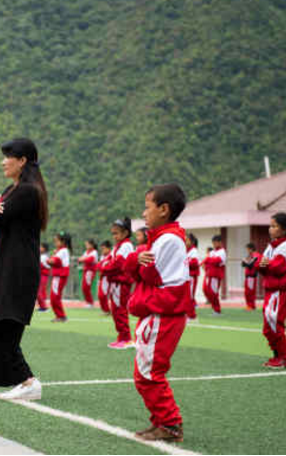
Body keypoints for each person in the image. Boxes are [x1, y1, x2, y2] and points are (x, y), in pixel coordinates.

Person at [0, 138, 47, 400]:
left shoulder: (28, 191)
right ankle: (22, 381)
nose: (3, 162)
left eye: (8, 157)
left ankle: (28, 381)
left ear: (22, 161)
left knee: (4, 324)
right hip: (4, 267)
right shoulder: (13, 189)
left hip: (17, 270)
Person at [126, 183, 190, 442]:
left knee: (149, 374)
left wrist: (136, 259)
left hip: (162, 315)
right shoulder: (162, 238)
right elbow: (139, 271)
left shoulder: (168, 239)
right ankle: (161, 421)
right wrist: (137, 258)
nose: (143, 213)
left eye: (147, 207)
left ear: (164, 209)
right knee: (145, 373)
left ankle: (170, 424)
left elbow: (147, 276)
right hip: (158, 313)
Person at [257, 212, 286, 368]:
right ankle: (277, 356)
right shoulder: (271, 245)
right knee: (268, 327)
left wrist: (265, 263)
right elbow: (262, 266)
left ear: (285, 229)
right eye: (270, 226)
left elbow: (277, 267)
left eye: (274, 226)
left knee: (275, 323)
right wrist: (261, 263)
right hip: (271, 289)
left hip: (280, 290)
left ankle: (285, 358)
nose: (270, 229)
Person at [100, 217, 135, 348]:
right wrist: (103, 266)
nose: (114, 236)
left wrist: (104, 268)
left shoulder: (126, 245)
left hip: (122, 282)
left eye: (116, 233)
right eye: (113, 233)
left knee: (120, 310)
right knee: (115, 310)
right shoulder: (118, 246)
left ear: (125, 233)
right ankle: (121, 337)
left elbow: (116, 263)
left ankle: (126, 338)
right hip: (115, 282)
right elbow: (107, 260)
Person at [47, 232, 72, 322]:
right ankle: (60, 316)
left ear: (63, 242)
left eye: (57, 241)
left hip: (59, 276)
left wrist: (48, 260)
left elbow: (53, 261)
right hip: (58, 276)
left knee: (55, 297)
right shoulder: (61, 250)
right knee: (54, 297)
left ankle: (61, 316)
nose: (55, 243)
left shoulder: (63, 251)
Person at [202, 236, 226, 315]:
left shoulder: (222, 251)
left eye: (215, 242)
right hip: (209, 274)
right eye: (213, 243)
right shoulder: (212, 252)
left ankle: (217, 310)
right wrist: (208, 260)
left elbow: (217, 261)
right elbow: (205, 261)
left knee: (213, 292)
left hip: (216, 275)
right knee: (206, 290)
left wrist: (209, 259)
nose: (214, 244)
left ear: (220, 242)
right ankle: (214, 307)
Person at [77, 239, 99, 308]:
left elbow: (89, 260)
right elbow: (80, 259)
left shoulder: (94, 252)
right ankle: (88, 302)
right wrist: (82, 259)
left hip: (90, 271)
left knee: (86, 286)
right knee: (84, 287)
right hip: (86, 270)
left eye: (88, 244)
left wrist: (83, 259)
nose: (86, 246)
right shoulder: (86, 252)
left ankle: (90, 302)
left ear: (92, 245)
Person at [241, 243, 261, 311]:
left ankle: (251, 305)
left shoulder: (256, 255)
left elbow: (250, 265)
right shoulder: (250, 256)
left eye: (247, 249)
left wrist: (245, 262)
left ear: (251, 249)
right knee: (247, 292)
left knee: (250, 292)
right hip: (248, 276)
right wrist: (245, 262)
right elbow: (243, 264)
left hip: (251, 276)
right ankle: (249, 305)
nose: (247, 251)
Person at [185, 234, 200, 319]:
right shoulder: (185, 250)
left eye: (187, 240)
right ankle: (188, 313)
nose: (185, 242)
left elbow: (194, 263)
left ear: (192, 242)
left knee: (190, 296)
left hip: (192, 276)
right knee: (186, 296)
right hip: (186, 276)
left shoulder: (194, 251)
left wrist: (185, 262)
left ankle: (192, 315)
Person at [96, 241, 112, 315]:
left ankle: (109, 310)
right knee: (101, 295)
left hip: (109, 278)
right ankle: (106, 310)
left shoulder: (111, 256)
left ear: (108, 248)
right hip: (103, 278)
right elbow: (99, 266)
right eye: (101, 249)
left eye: (104, 248)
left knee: (104, 295)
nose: (102, 250)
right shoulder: (102, 256)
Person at [37, 243, 51, 312]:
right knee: (41, 291)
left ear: (44, 249)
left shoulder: (44, 257)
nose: (39, 248)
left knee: (39, 291)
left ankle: (44, 307)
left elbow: (41, 266)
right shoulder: (42, 256)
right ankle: (42, 306)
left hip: (43, 275)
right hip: (41, 275)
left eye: (41, 247)